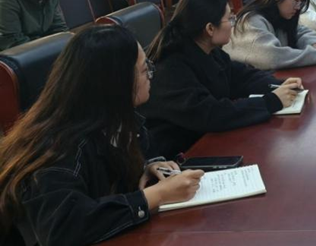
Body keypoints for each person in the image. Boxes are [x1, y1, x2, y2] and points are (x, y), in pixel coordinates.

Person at [0, 25, 202, 246]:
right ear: (117, 82)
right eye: (145, 70)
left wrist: (148, 164)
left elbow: (137, 154)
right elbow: (63, 228)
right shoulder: (56, 148)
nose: (151, 76)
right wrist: (157, 195)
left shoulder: (117, 119)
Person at [139, 0, 302, 159]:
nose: (233, 24)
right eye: (229, 19)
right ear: (210, 28)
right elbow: (210, 114)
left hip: (206, 139)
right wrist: (271, 101)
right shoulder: (171, 66)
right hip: (180, 155)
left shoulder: (208, 50)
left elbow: (241, 76)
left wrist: (280, 84)